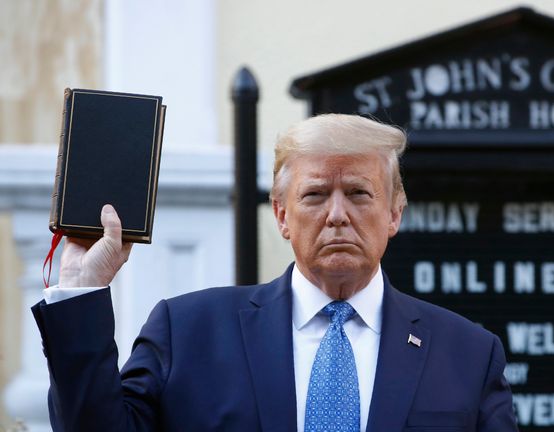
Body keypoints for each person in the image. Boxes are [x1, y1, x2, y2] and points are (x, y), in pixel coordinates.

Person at [33, 114, 518, 431]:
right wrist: (81, 292)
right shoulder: (189, 332)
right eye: (314, 195)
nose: (336, 215)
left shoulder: (468, 355)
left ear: (395, 213)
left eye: (358, 193)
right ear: (282, 215)